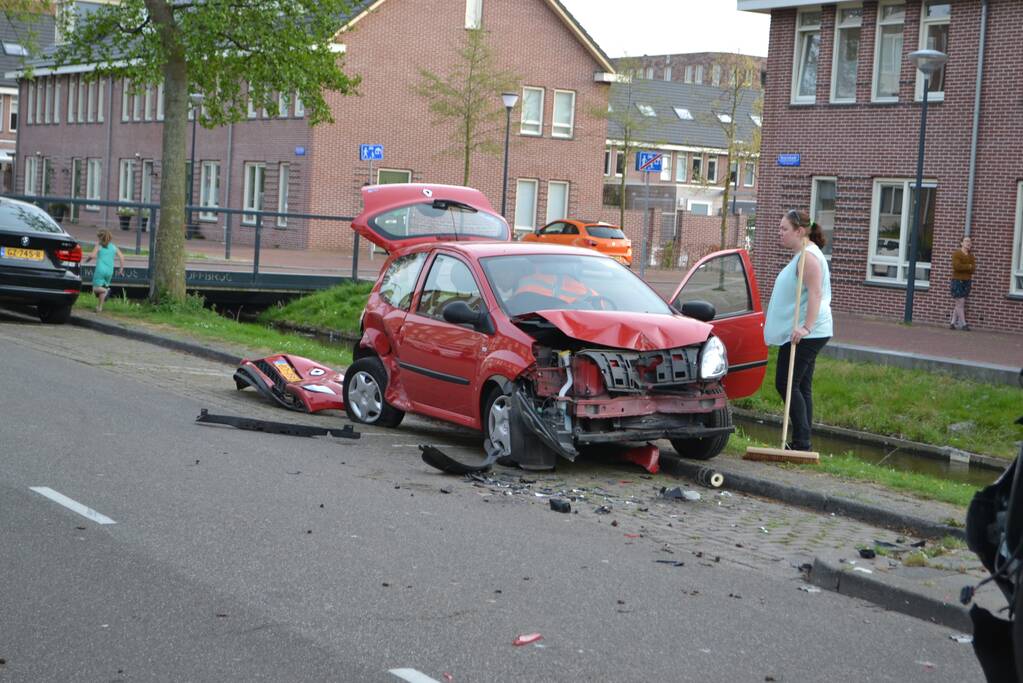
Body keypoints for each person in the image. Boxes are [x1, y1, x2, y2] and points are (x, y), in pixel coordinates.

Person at [763, 210, 833, 452]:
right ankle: (803, 442)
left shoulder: (808, 258)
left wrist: (805, 327)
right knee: (801, 386)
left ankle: (801, 442)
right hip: (805, 330)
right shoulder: (803, 255)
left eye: (784, 229)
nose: (779, 233)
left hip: (808, 333)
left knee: (786, 383)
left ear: (799, 231)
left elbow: (816, 293)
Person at [83, 229, 124, 313]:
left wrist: (86, 260)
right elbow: (122, 257)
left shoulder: (99, 245)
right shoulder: (113, 246)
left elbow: (92, 255)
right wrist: (121, 269)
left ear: (100, 238)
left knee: (95, 288)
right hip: (109, 271)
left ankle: (107, 290)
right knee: (102, 287)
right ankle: (99, 307)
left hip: (100, 270)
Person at [950, 236, 975, 331]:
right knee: (961, 302)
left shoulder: (971, 256)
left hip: (967, 281)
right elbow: (957, 267)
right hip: (957, 280)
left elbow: (973, 269)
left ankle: (952, 323)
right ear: (961, 243)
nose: (968, 243)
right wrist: (968, 266)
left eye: (970, 241)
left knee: (959, 303)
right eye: (966, 241)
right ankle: (963, 324)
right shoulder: (957, 254)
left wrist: (966, 267)